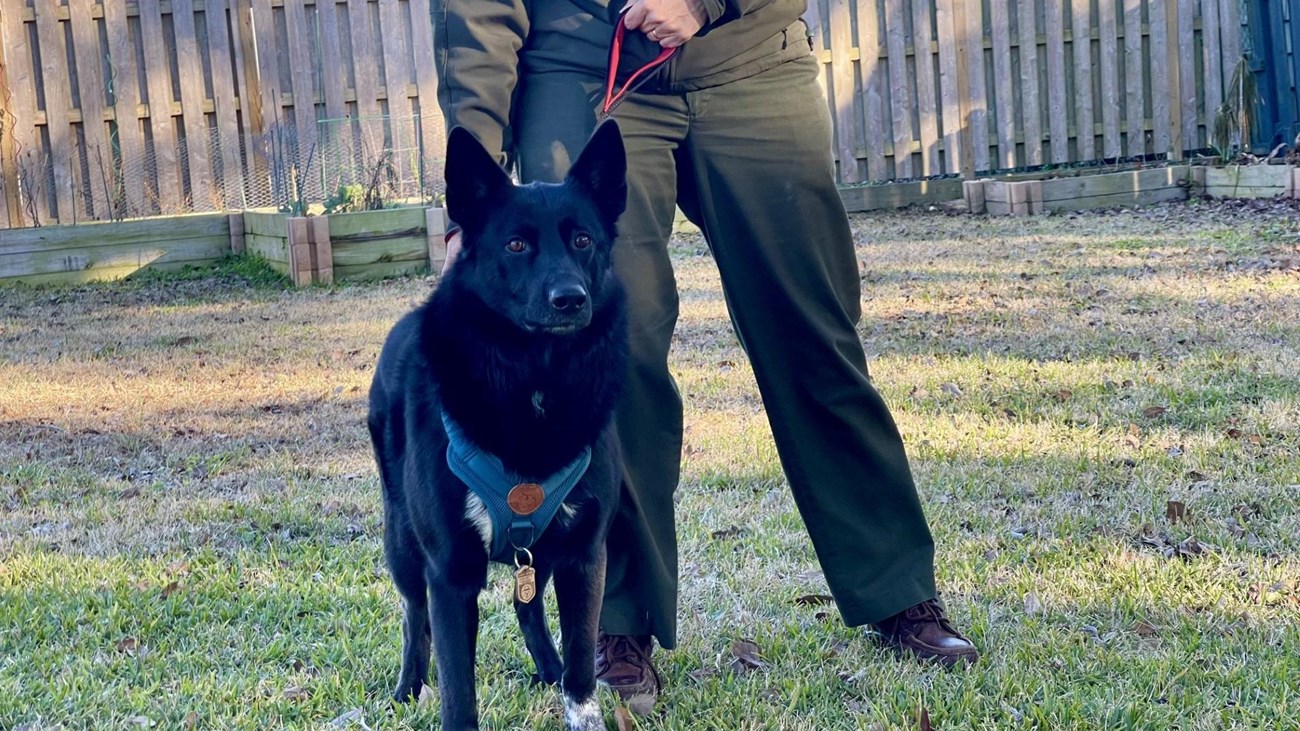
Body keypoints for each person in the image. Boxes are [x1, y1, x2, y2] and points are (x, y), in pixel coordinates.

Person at [430, 0, 979, 703]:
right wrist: (468, 211)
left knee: (812, 331)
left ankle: (896, 586)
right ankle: (613, 621)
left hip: (749, 52)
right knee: (606, 347)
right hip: (583, 59)